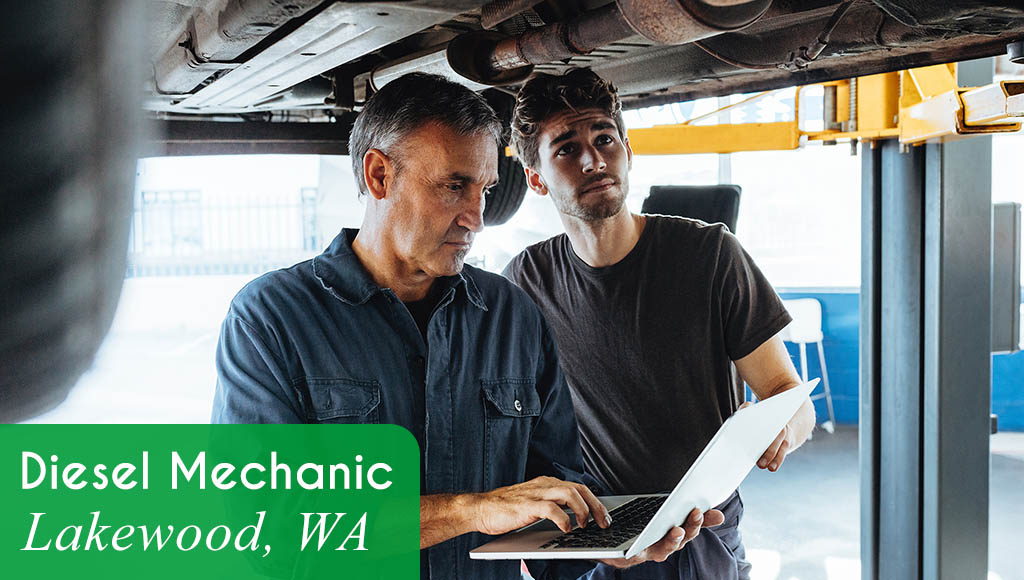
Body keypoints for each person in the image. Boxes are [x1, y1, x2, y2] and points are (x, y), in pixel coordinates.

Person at [211, 72, 719, 580]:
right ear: (379, 176)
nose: (476, 217)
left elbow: (551, 495)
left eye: (485, 190)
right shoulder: (270, 320)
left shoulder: (513, 317)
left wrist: (608, 541)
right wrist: (471, 511)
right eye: (454, 186)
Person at [503, 68, 816, 580]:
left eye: (605, 139)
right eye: (566, 148)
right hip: (599, 538)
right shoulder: (527, 279)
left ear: (628, 150)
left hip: (701, 532)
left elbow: (789, 396)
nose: (594, 159)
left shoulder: (710, 255)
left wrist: (785, 426)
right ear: (535, 177)